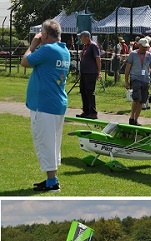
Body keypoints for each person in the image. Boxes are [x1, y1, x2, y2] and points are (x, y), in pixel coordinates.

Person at [21, 19, 70, 192]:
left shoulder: (47, 49)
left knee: (44, 143)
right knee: (53, 143)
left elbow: (25, 61)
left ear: (46, 35)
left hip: (44, 105)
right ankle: (52, 178)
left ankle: (52, 182)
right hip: (56, 103)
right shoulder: (64, 50)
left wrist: (33, 45)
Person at [124, 37, 151, 126]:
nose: (145, 49)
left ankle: (135, 120)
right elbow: (127, 68)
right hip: (135, 79)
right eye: (143, 47)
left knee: (142, 101)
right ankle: (131, 117)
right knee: (136, 99)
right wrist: (126, 81)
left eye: (146, 47)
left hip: (145, 80)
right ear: (139, 45)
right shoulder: (133, 54)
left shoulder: (149, 55)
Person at [76, 31, 101, 119]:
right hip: (83, 72)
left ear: (87, 37)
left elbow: (97, 58)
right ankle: (86, 111)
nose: (80, 39)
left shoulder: (93, 46)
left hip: (91, 72)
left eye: (81, 37)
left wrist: (99, 71)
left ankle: (93, 112)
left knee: (90, 92)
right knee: (83, 91)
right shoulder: (85, 47)